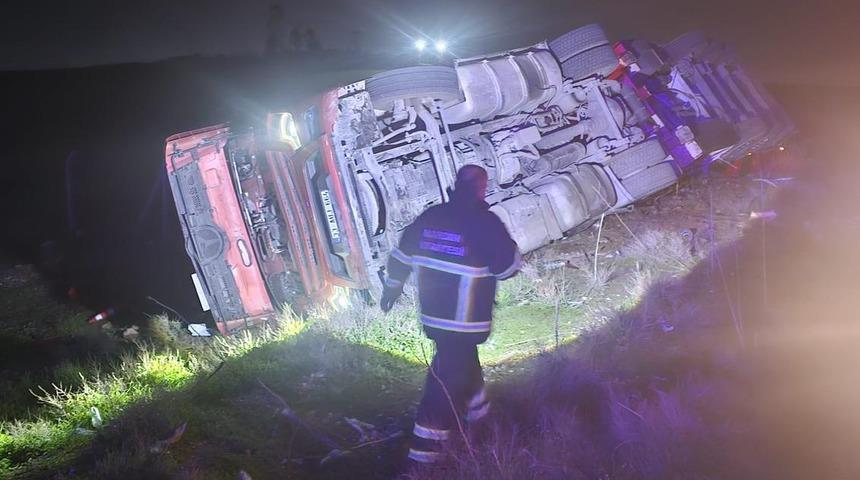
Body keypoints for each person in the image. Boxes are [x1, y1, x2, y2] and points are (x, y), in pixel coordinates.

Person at [380, 164, 521, 464]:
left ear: (455, 185)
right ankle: (423, 458)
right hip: (465, 322)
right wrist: (512, 247)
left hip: (434, 319)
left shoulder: (431, 217)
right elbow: (507, 268)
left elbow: (401, 257)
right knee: (443, 386)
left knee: (466, 365)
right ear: (482, 188)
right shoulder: (485, 222)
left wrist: (391, 289)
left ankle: (482, 426)